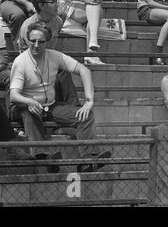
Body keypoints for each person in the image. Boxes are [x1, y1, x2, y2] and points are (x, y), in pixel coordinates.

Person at [9, 22, 110, 171]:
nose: (36, 45)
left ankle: (88, 160)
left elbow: (84, 70)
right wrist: (29, 101)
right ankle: (43, 157)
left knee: (86, 115)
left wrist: (89, 102)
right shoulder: (21, 62)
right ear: (27, 40)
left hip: (50, 105)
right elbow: (13, 95)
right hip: (22, 106)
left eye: (41, 41)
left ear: (48, 42)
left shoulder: (54, 56)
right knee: (30, 112)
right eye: (32, 40)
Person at [18, 0, 79, 106]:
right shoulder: (28, 26)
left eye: (57, 1)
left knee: (64, 69)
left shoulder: (57, 21)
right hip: (31, 64)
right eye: (53, 2)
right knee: (59, 73)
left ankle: (73, 107)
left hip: (48, 60)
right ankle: (72, 108)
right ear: (41, 5)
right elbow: (31, 55)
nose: (57, 5)